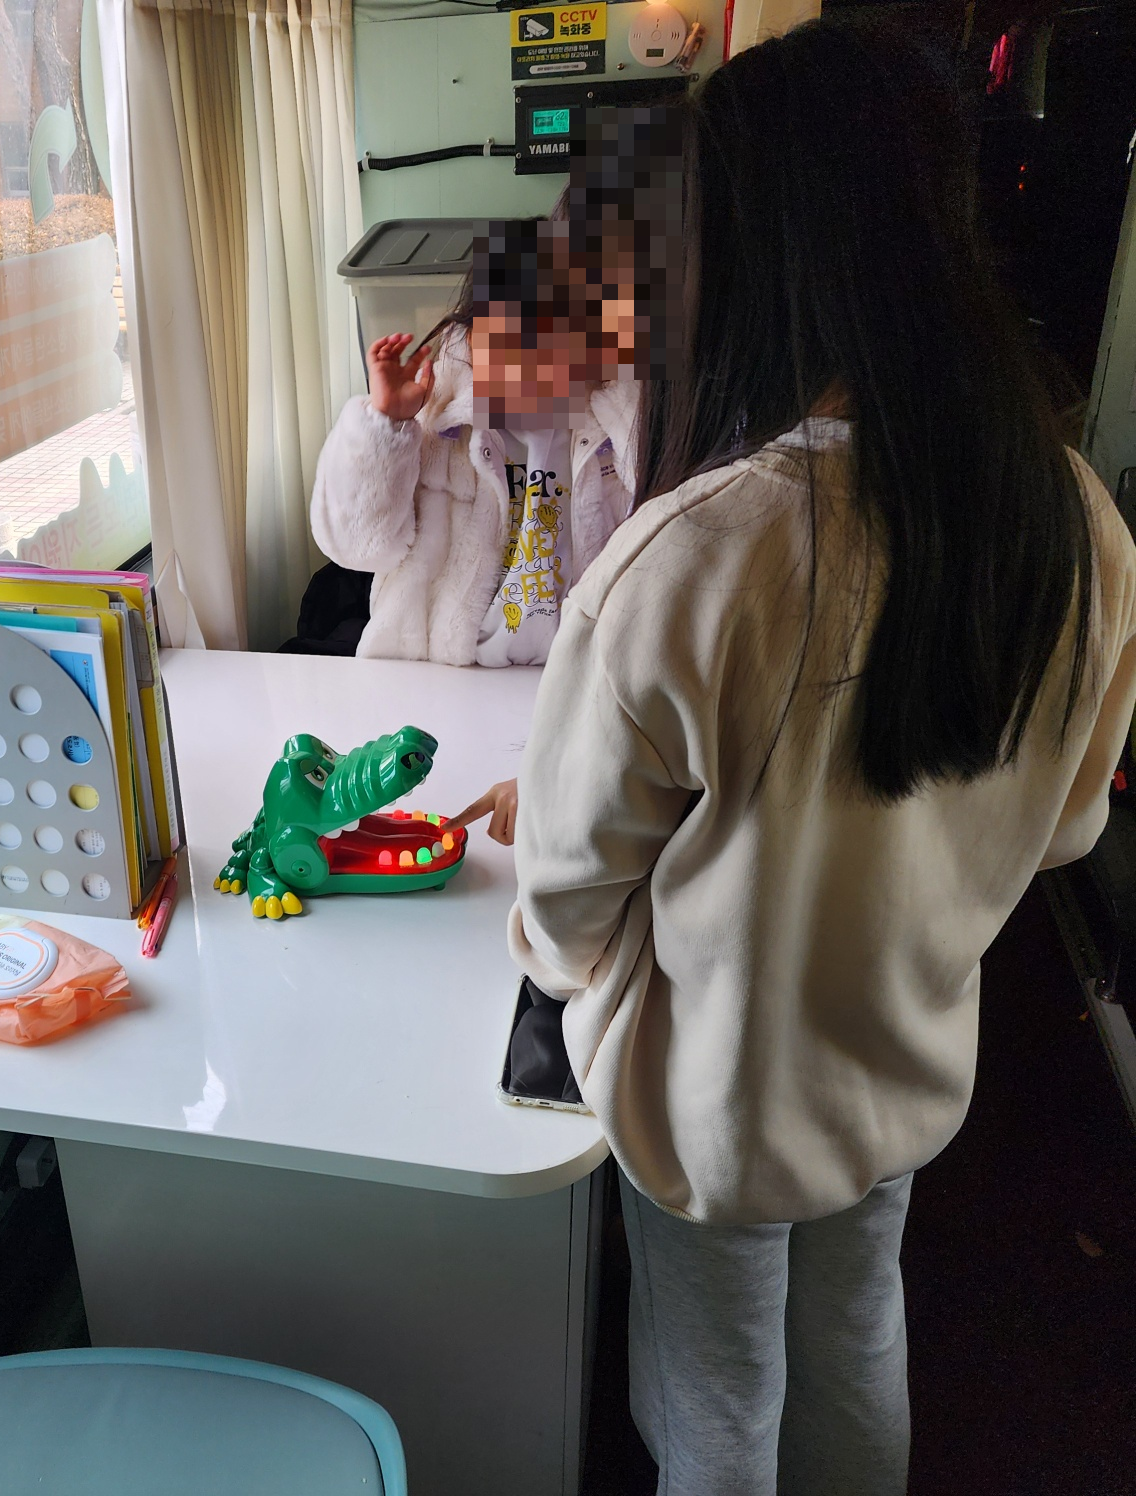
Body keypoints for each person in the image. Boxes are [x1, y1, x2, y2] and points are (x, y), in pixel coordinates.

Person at [508, 19, 1136, 1496]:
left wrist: (568, 961)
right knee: (859, 1329)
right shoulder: (1075, 521)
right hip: (904, 1058)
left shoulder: (692, 557)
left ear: (750, 248)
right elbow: (1063, 831)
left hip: (719, 1097)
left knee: (717, 1385)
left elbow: (566, 897)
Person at [313, 165, 657, 840]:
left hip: (560, 693)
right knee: (417, 839)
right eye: (502, 347)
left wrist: (630, 403)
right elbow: (354, 544)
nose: (522, 373)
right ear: (474, 338)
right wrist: (386, 423)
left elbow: (661, 541)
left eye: (550, 350)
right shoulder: (438, 418)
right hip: (434, 685)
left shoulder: (612, 432)